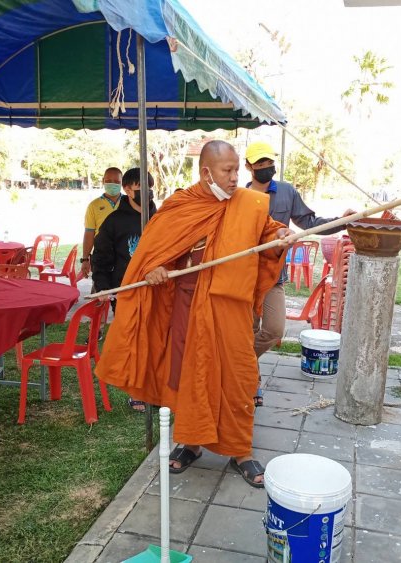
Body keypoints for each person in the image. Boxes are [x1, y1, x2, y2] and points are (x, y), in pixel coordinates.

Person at [96, 141, 293, 488]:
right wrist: (155, 268)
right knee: (190, 373)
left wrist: (280, 236)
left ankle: (241, 451)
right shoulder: (180, 206)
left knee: (239, 375)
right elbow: (154, 251)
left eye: (236, 170)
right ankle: (191, 442)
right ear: (206, 172)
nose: (235, 178)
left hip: (231, 305)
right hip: (188, 303)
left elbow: (268, 232)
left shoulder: (249, 204)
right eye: (227, 171)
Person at [245, 141, 355, 406]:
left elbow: (309, 222)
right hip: (246, 276)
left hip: (274, 277)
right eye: (260, 163)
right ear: (249, 167)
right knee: (247, 331)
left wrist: (341, 221)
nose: (266, 167)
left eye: (269, 162)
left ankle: (242, 364)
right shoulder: (240, 197)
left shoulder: (286, 192)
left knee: (273, 330)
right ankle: (250, 382)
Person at [91, 167, 157, 412]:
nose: (147, 194)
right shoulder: (114, 222)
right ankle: (135, 390)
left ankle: (154, 385)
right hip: (126, 291)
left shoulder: (160, 218)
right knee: (133, 340)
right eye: (141, 189)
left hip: (157, 290)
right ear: (128, 189)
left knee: (155, 338)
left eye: (150, 189)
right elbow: (102, 257)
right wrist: (105, 286)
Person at [81, 167, 124, 277]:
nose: (112, 184)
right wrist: (85, 259)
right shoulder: (93, 206)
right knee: (101, 291)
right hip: (102, 256)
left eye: (117, 182)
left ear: (122, 182)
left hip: (125, 256)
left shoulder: (129, 203)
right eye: (109, 181)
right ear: (103, 181)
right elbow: (89, 233)